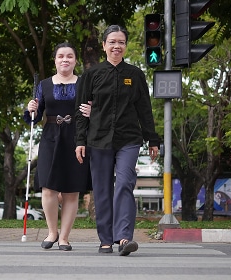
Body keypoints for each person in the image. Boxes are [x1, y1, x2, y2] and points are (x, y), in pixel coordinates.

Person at [74, 25, 160, 256]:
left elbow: (145, 109)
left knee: (124, 183)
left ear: (125, 46)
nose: (116, 46)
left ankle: (123, 238)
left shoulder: (135, 74)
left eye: (121, 42)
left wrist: (153, 140)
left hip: (129, 139)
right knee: (101, 190)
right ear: (104, 46)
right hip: (98, 139)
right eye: (112, 41)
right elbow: (80, 111)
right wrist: (80, 140)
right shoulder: (91, 75)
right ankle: (105, 239)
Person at [23, 42, 92, 251]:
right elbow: (33, 119)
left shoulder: (84, 83)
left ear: (75, 60)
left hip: (77, 138)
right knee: (48, 188)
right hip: (50, 137)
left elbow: (93, 111)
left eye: (69, 56)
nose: (65, 59)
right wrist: (31, 109)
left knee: (72, 190)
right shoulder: (43, 85)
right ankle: (52, 232)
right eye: (61, 56)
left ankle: (64, 237)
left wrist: (93, 111)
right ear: (55, 60)